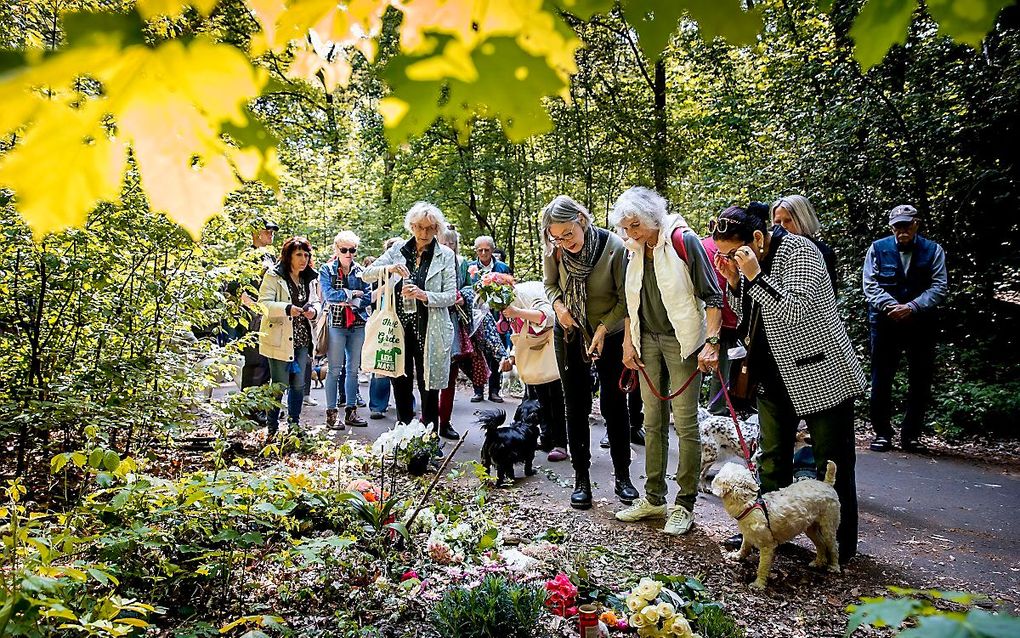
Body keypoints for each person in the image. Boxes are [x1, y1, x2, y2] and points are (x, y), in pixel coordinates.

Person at [712, 205, 865, 563]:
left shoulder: (802, 252)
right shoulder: (748, 262)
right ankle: (769, 533)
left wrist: (752, 276)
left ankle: (838, 546)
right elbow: (750, 312)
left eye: (732, 252)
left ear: (758, 239)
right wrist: (735, 283)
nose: (729, 259)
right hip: (772, 376)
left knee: (833, 462)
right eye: (723, 254)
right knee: (772, 461)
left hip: (820, 373)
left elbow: (793, 311)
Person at [609, 187, 723, 535]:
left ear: (650, 217)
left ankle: (684, 503)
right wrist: (628, 343)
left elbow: (713, 295)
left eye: (634, 225)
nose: (629, 233)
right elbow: (630, 301)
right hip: (646, 341)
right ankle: (654, 498)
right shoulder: (632, 249)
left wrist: (712, 343)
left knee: (686, 424)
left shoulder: (682, 241)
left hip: (682, 340)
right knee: (652, 420)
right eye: (625, 227)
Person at [542, 195, 638, 510]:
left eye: (568, 234)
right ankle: (581, 479)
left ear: (582, 220)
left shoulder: (614, 248)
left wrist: (601, 330)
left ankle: (623, 477)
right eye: (556, 236)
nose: (563, 242)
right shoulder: (554, 250)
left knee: (614, 404)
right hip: (569, 332)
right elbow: (550, 286)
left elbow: (626, 299)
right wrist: (559, 308)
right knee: (576, 405)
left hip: (609, 334)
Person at [363, 203, 458, 438]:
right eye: (418, 227)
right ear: (411, 226)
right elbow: (366, 275)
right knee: (400, 381)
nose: (423, 233)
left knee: (429, 385)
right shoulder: (398, 251)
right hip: (399, 328)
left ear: (437, 229)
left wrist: (424, 295)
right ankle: (403, 436)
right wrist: (389, 269)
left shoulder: (445, 256)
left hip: (431, 328)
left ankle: (429, 438)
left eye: (428, 228)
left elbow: (451, 295)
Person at [863, 204, 948, 453]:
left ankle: (912, 436)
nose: (903, 230)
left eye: (907, 225)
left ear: (916, 224)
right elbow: (870, 284)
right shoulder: (877, 248)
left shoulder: (933, 251)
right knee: (881, 378)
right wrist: (893, 307)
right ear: (891, 227)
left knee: (920, 379)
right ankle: (882, 434)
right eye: (898, 226)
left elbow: (939, 286)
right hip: (884, 322)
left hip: (921, 323)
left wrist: (912, 306)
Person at [437, 228, 507, 438]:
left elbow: (470, 291)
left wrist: (462, 297)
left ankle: (444, 421)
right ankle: (428, 420)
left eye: (452, 244)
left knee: (450, 376)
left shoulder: (462, 264)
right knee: (431, 378)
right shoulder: (428, 261)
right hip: (433, 323)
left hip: (456, 326)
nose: (449, 247)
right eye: (445, 243)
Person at [257, 236, 321, 436]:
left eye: (306, 254)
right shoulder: (274, 275)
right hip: (279, 339)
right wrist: (286, 308)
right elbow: (264, 304)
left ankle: (294, 427)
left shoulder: (308, 277)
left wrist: (314, 311)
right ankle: (272, 429)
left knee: (298, 384)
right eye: (298, 254)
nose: (303, 259)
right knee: (279, 385)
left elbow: (317, 301)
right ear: (289, 256)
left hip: (302, 339)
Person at [502, 280, 569, 462]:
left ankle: (561, 443)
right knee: (540, 400)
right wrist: (512, 356)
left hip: (551, 353)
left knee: (556, 400)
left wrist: (517, 312)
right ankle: (547, 438)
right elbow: (519, 332)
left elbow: (549, 316)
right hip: (533, 355)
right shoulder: (507, 304)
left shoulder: (530, 294)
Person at [320, 230, 372, 429]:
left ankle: (351, 411)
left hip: (358, 323)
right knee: (334, 369)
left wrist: (348, 299)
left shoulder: (360, 271)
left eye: (353, 250)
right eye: (344, 250)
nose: (349, 253)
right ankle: (332, 414)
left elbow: (367, 297)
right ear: (337, 249)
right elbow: (329, 295)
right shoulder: (327, 270)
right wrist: (351, 294)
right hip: (336, 324)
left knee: (353, 370)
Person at [236, 218, 278, 425]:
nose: (271, 234)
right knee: (255, 362)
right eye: (267, 230)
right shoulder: (247, 257)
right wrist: (256, 309)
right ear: (256, 233)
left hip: (269, 314)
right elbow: (237, 289)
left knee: (267, 362)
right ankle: (249, 410)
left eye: (273, 231)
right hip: (253, 317)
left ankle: (261, 406)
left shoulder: (270, 256)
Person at [468, 235, 513, 403]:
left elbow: (511, 291)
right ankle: (478, 390)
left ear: (493, 250)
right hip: (476, 317)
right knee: (477, 355)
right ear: (476, 251)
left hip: (497, 317)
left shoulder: (502, 268)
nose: (484, 253)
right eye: (480, 250)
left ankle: (495, 390)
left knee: (497, 353)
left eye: (487, 249)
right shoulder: (470, 268)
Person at [701, 232, 741, 416]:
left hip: (707, 318)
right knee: (721, 370)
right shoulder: (736, 247)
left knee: (708, 366)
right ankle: (716, 410)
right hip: (728, 320)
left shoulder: (702, 245)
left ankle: (702, 411)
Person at [770, 195, 837, 295]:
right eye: (778, 222)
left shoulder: (821, 252)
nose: (783, 226)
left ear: (802, 220)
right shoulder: (772, 252)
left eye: (788, 220)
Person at [367, 239, 403, 420]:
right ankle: (377, 405)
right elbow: (370, 296)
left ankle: (405, 405)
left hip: (402, 320)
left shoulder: (406, 271)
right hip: (383, 320)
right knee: (382, 362)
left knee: (402, 364)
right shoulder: (380, 273)